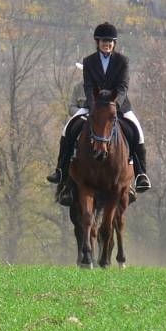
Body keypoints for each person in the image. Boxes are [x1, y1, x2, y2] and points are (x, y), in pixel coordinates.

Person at [47, 22, 152, 205]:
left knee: (137, 131)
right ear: (98, 42)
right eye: (104, 41)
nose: (107, 44)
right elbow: (88, 86)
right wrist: (93, 104)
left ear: (114, 43)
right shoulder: (89, 61)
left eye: (110, 41)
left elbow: (123, 87)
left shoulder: (122, 61)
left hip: (117, 106)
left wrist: (114, 104)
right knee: (68, 128)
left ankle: (141, 175)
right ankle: (60, 171)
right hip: (93, 105)